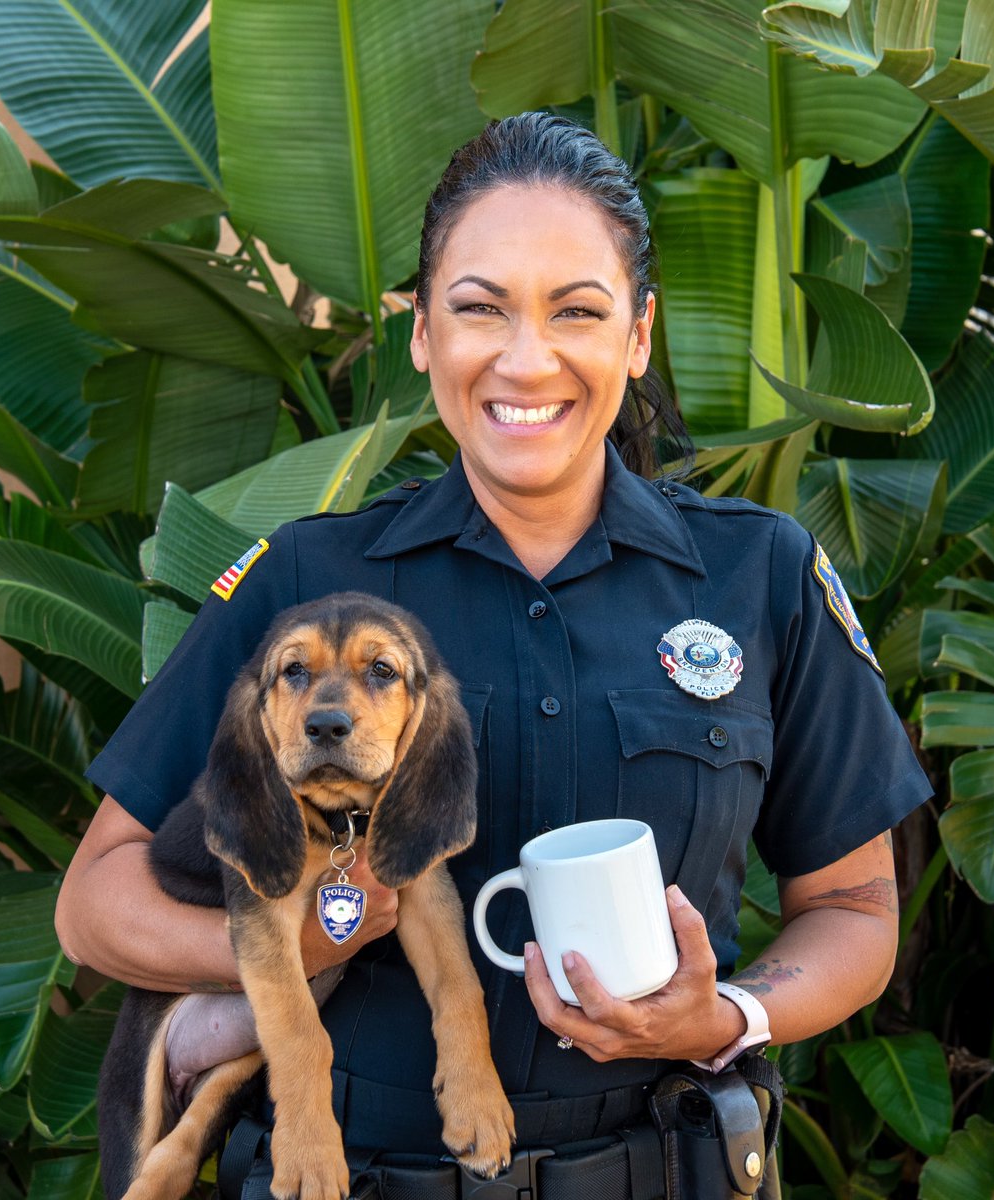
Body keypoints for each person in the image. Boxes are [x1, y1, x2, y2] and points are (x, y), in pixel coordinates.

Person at [56, 112, 931, 1198]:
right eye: (480, 310)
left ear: (639, 335)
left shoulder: (756, 575)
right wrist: (304, 945)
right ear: (423, 333)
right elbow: (93, 904)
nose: (528, 358)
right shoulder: (304, 587)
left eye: (578, 311)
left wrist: (730, 1013)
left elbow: (854, 908)